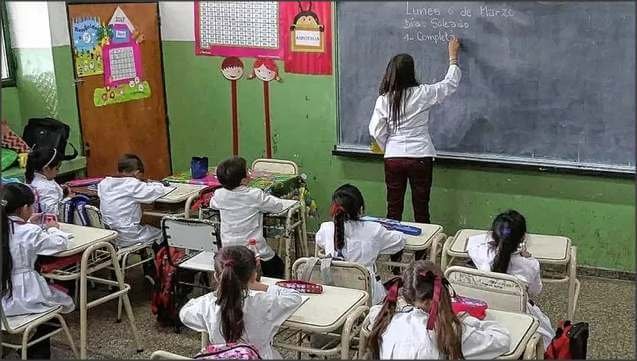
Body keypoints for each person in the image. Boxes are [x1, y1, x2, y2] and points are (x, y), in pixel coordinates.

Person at [369, 37, 462, 268]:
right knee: (421, 209)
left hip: (394, 158)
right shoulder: (423, 93)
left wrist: (387, 146)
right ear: (412, 72)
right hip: (421, 156)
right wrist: (453, 57)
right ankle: (421, 259)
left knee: (394, 209)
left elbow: (375, 130)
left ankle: (395, 259)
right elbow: (449, 84)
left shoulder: (384, 99)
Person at [366, 260, 510, 359]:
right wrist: (468, 320)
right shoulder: (450, 332)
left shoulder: (386, 319)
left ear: (404, 293)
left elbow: (374, 311)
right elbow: (502, 340)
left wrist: (401, 306)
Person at [179, 246, 302, 359]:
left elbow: (184, 314)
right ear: (253, 276)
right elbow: (294, 297)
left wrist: (219, 292)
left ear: (217, 276)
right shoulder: (265, 304)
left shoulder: (207, 305)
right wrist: (258, 286)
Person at [1, 182, 75, 359]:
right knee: (64, 303)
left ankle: (27, 347)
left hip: (4, 300)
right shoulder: (29, 231)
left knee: (55, 300)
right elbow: (59, 244)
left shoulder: (10, 227)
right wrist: (53, 229)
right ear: (25, 207)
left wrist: (27, 222)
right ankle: (37, 351)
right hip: (25, 296)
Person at [467, 209, 553, 349]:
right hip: (518, 318)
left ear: (493, 235)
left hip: (483, 315)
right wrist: (527, 256)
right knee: (547, 330)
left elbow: (473, 242)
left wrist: (498, 240)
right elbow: (536, 291)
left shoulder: (480, 253)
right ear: (523, 237)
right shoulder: (530, 264)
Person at [315, 184, 405, 304]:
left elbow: (319, 240)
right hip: (368, 297)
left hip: (334, 295)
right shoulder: (374, 230)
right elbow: (399, 241)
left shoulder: (326, 228)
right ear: (361, 209)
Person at [211, 156, 287, 278]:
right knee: (278, 266)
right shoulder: (254, 195)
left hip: (228, 251)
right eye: (247, 171)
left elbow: (212, 204)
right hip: (254, 251)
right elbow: (278, 206)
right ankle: (265, 289)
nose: (249, 173)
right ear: (243, 180)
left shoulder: (219, 194)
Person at [97, 154, 170, 248]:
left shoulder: (104, 183)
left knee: (147, 228)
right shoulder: (132, 184)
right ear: (136, 173)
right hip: (129, 235)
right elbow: (158, 191)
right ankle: (157, 261)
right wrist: (155, 184)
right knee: (164, 234)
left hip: (111, 236)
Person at [26, 147, 73, 215]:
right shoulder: (45, 187)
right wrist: (68, 198)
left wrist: (60, 189)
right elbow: (51, 212)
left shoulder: (35, 178)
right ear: (46, 168)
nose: (58, 171)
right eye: (56, 169)